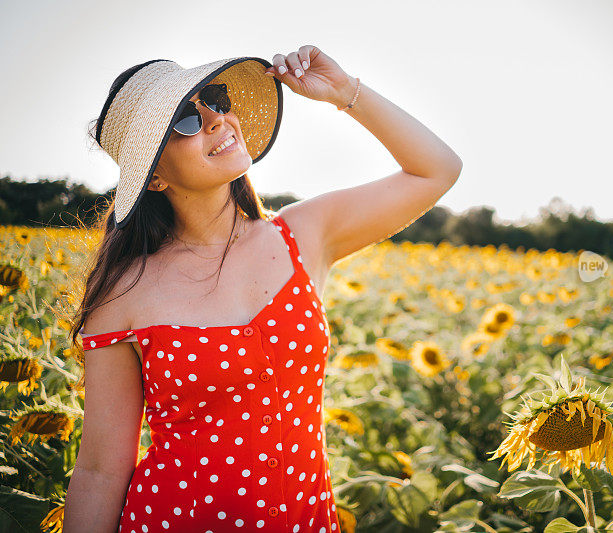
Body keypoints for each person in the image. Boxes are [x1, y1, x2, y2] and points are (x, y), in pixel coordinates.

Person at [62, 45, 461, 533]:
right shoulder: (123, 292)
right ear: (155, 178)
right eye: (185, 120)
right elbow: (101, 470)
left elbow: (437, 168)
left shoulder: (304, 234)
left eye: (214, 97)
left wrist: (345, 93)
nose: (214, 118)